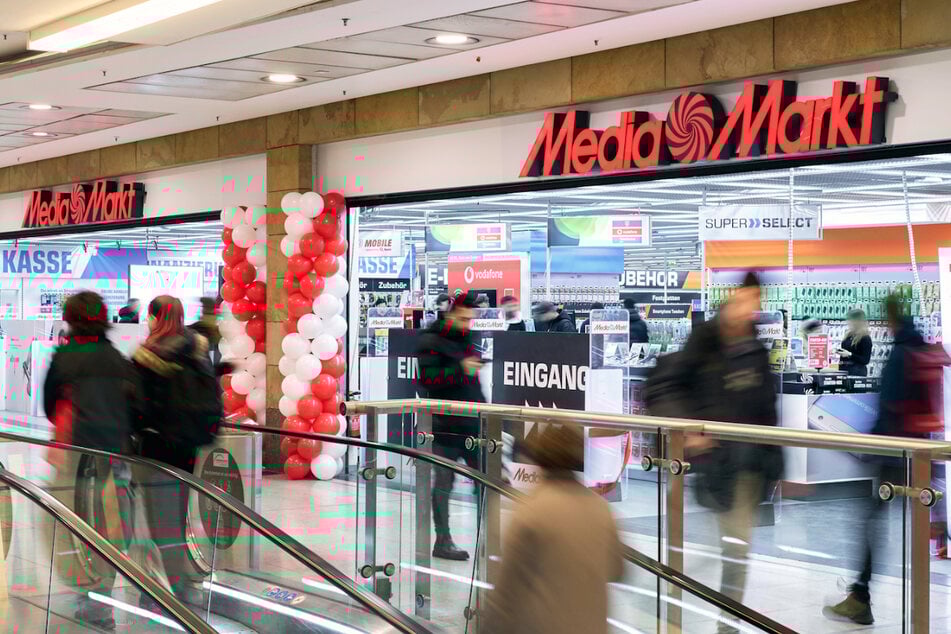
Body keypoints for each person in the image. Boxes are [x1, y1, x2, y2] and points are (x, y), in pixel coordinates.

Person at [645, 272, 781, 634]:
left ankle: (726, 624)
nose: (751, 308)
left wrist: (774, 461)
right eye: (747, 299)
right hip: (716, 464)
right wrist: (688, 426)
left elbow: (767, 411)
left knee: (735, 550)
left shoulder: (755, 349)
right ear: (736, 296)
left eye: (757, 302)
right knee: (723, 548)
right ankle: (669, 605)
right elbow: (661, 385)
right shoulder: (705, 340)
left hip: (749, 468)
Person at [824, 295, 937, 625]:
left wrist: (869, 447)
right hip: (918, 450)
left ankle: (861, 596)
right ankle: (908, 609)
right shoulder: (919, 346)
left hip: (893, 452)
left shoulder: (900, 353)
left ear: (889, 318)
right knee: (901, 519)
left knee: (871, 521)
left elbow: (888, 404)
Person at [43, 291, 138, 628]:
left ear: (70, 317)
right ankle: (101, 595)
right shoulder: (116, 358)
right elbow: (135, 406)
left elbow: (48, 403)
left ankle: (86, 592)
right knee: (110, 525)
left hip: (75, 455)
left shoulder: (65, 357)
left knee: (72, 522)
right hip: (113, 455)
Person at [482, 424, 623, 634]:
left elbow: (506, 593)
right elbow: (617, 571)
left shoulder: (531, 512)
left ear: (540, 459)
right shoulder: (601, 510)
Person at [132, 295, 222, 599]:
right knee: (177, 511)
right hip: (189, 446)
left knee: (159, 518)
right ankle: (176, 577)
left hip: (156, 445)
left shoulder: (147, 355)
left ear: (157, 317)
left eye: (151, 315)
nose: (149, 320)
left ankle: (167, 586)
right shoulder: (198, 349)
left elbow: (138, 406)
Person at [416, 291, 485, 560]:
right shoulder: (431, 340)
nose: (468, 324)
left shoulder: (468, 337)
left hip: (473, 421)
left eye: (471, 319)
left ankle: (487, 539)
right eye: (464, 318)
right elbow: (427, 381)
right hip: (445, 423)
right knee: (444, 480)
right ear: (453, 313)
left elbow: (472, 381)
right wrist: (461, 369)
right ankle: (442, 540)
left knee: (485, 481)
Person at [838, 308, 872, 376]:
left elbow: (865, 360)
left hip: (856, 372)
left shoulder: (865, 338)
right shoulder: (848, 335)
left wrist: (850, 354)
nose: (848, 322)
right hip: (844, 370)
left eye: (850, 320)